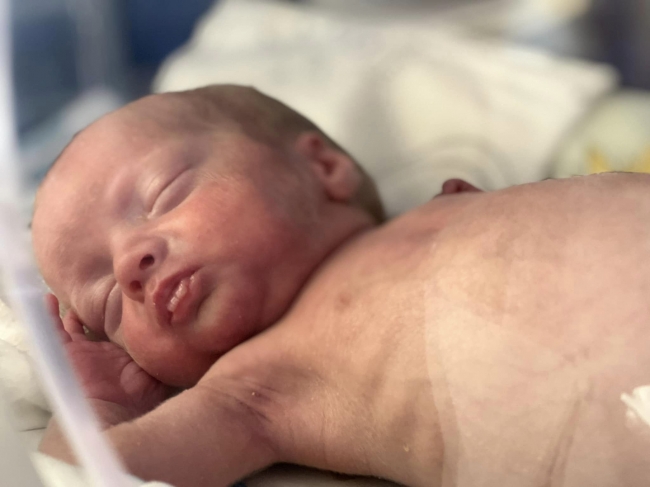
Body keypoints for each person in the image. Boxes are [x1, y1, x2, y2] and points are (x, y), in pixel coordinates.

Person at [32, 85, 650, 487]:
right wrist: (95, 404)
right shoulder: (251, 390)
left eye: (164, 195)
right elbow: (72, 479)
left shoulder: (445, 209)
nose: (130, 265)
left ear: (324, 168)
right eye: (108, 305)